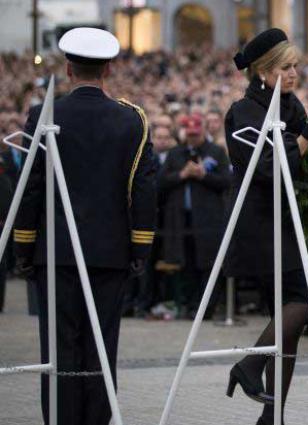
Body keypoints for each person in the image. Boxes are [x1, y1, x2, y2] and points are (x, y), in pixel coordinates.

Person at [13, 27, 156, 425]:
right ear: (108, 68)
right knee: (101, 344)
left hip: (55, 254)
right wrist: (140, 249)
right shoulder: (132, 120)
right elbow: (143, 191)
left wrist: (24, 247)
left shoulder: (44, 115)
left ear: (68, 68)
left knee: (59, 348)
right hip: (110, 253)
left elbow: (31, 189)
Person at [223, 28, 308, 425]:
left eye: (296, 67)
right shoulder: (243, 112)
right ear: (263, 72)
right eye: (286, 68)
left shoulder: (290, 106)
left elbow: (306, 163)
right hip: (259, 222)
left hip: (288, 221)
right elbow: (272, 169)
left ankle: (273, 417)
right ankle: (250, 366)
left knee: (288, 327)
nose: (293, 75)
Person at [158, 113, 231, 319]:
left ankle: (206, 307)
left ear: (203, 132)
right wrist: (182, 175)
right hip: (181, 219)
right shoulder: (175, 153)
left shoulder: (216, 152)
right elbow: (161, 182)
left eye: (196, 135)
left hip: (208, 220)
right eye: (189, 135)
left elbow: (226, 181)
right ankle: (189, 305)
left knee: (207, 264)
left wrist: (203, 175)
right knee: (186, 264)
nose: (192, 138)